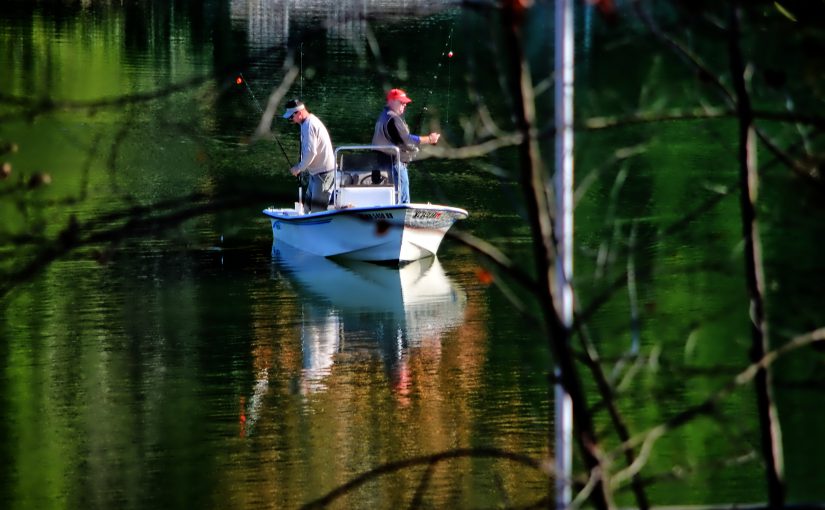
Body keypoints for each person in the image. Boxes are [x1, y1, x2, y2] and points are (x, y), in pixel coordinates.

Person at [371, 88, 440, 204]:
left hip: (381, 162)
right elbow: (407, 141)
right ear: (391, 101)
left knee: (390, 199)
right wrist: (429, 139)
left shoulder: (383, 116)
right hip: (394, 164)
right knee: (403, 201)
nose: (404, 105)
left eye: (405, 103)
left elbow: (400, 138)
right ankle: (403, 218)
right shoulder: (393, 118)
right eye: (401, 102)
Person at [282, 99, 335, 212]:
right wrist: (302, 166)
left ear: (299, 113)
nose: (292, 120)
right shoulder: (306, 122)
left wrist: (299, 168)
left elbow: (311, 152)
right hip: (315, 173)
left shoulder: (309, 126)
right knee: (307, 208)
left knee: (317, 211)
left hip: (323, 174)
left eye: (292, 117)